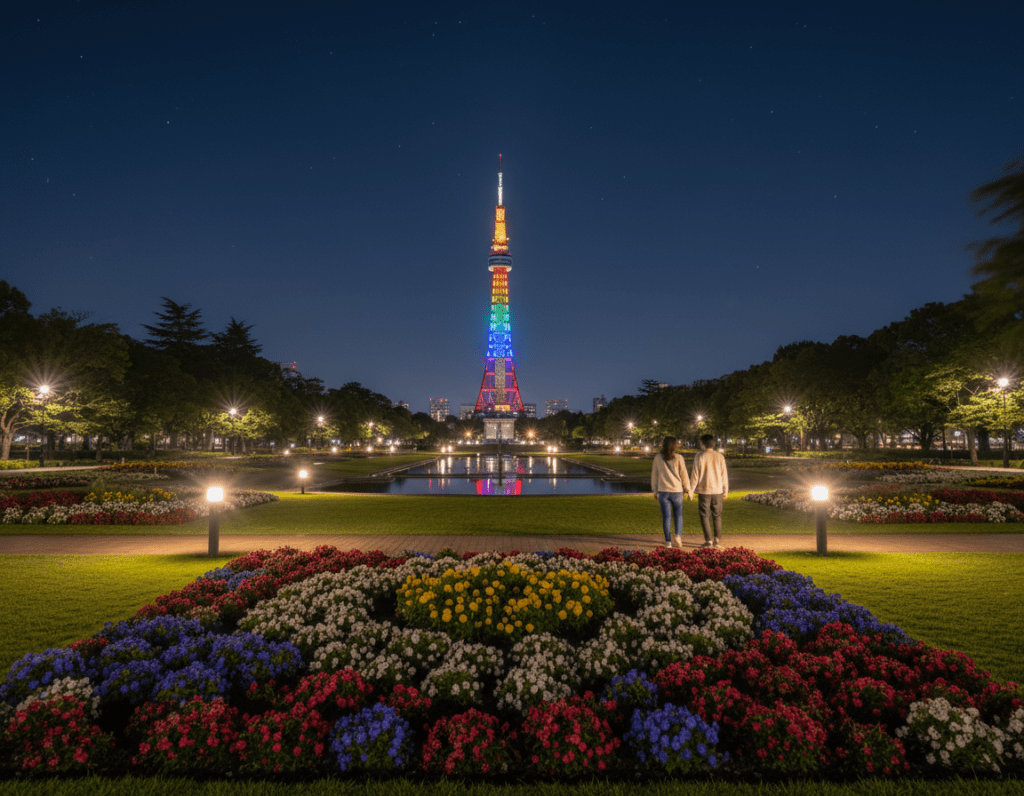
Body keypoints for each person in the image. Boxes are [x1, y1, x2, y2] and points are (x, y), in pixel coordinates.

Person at [650, 436, 693, 548]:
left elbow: (654, 475)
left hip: (663, 491)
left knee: (666, 517)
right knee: (678, 516)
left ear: (663, 445)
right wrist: (688, 489)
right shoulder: (679, 457)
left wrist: (655, 490)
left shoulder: (658, 458)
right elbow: (684, 475)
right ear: (675, 446)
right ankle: (678, 537)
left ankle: (668, 541)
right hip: (677, 491)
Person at [690, 433, 729, 548]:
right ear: (713, 443)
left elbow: (695, 475)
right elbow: (724, 475)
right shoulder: (720, 456)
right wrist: (725, 490)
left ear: (702, 444)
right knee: (717, 516)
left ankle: (708, 541)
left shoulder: (699, 456)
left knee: (704, 515)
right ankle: (717, 540)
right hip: (717, 491)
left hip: (704, 490)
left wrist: (691, 490)